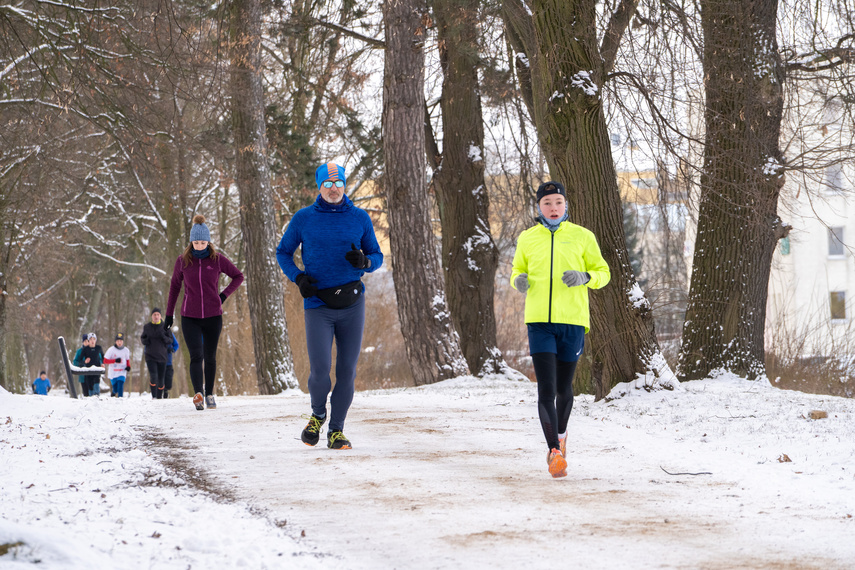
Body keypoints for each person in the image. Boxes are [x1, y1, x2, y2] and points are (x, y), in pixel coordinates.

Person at [276, 163, 383, 450]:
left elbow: (377, 254)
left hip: (352, 304)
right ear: (319, 186)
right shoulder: (303, 219)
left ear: (344, 185)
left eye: (338, 183)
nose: (333, 188)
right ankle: (317, 415)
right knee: (320, 370)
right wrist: (298, 278)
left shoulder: (359, 218)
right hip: (317, 303)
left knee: (347, 371)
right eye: (328, 183)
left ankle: (336, 430)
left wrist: (365, 262)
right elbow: (283, 252)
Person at [510, 181, 610, 478]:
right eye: (546, 203)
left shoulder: (583, 236)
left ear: (565, 205)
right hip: (539, 321)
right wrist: (519, 281)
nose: (553, 208)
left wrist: (585, 277)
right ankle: (554, 452)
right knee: (546, 390)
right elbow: (517, 270)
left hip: (573, 322)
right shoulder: (527, 238)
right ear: (538, 207)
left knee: (564, 390)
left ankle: (562, 436)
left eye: (557, 202)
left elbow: (603, 274)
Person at [165, 214, 244, 410]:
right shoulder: (183, 261)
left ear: (208, 242)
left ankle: (210, 394)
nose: (199, 246)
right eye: (196, 242)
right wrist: (169, 314)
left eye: (203, 242)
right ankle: (198, 394)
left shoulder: (217, 260)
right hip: (189, 316)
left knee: (209, 357)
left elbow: (238, 276)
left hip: (213, 316)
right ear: (191, 242)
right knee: (196, 356)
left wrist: (223, 296)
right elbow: (175, 287)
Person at [141, 309, 173, 399]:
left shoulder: (165, 326)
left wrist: (164, 337)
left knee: (161, 378)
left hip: (162, 356)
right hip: (150, 356)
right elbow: (142, 338)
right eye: (154, 314)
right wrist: (146, 341)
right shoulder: (147, 327)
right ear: (152, 316)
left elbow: (170, 340)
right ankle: (154, 396)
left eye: (158, 314)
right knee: (153, 375)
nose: (156, 316)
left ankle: (159, 397)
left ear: (160, 316)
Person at [103, 332, 132, 398]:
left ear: (123, 341)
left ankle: (120, 399)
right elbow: (105, 360)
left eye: (121, 341)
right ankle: (113, 392)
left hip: (122, 371)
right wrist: (115, 360)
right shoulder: (111, 350)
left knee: (120, 384)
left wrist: (128, 366)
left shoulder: (126, 350)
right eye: (118, 341)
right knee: (115, 388)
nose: (119, 342)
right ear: (115, 341)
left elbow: (127, 360)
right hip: (113, 372)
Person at [80, 333, 104, 397]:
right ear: (88, 341)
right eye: (91, 339)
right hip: (88, 370)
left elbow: (103, 357)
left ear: (96, 340)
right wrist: (85, 361)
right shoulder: (85, 349)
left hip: (97, 369)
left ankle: (97, 398)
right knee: (90, 387)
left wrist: (102, 363)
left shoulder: (98, 348)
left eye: (94, 339)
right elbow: (80, 361)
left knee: (96, 385)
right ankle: (91, 400)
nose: (92, 341)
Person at [164, 331, 179, 399]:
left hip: (168, 361)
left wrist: (172, 350)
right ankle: (160, 393)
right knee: (159, 378)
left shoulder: (169, 333)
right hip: (158, 360)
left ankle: (166, 390)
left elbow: (176, 345)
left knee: (168, 380)